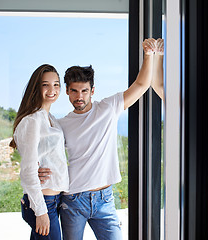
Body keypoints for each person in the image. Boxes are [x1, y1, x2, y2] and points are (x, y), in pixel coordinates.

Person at [38, 38, 163, 240]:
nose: (79, 96)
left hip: (105, 199)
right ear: (67, 92)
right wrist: (36, 168)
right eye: (74, 91)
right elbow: (47, 154)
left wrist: (149, 55)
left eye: (84, 91)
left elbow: (141, 84)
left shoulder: (108, 108)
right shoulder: (61, 124)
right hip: (72, 200)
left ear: (92, 91)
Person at [10, 64, 69, 239]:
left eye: (56, 84)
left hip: (54, 201)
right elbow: (28, 170)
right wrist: (40, 212)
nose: (52, 89)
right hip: (43, 203)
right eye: (46, 84)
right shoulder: (32, 120)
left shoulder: (51, 119)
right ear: (36, 87)